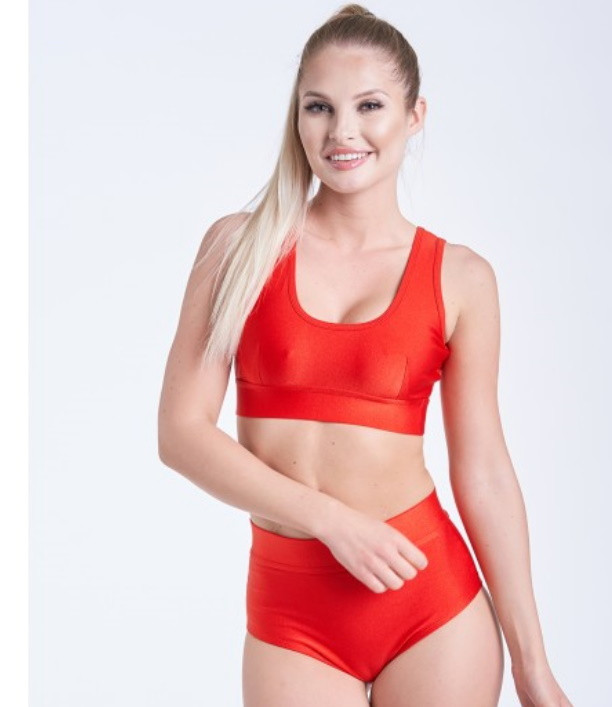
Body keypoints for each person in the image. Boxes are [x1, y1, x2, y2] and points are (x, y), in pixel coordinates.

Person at [158, 4, 573, 706]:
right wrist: (331, 520)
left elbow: (484, 474)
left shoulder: (460, 277)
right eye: (318, 106)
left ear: (414, 116)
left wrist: (534, 667)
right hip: (293, 611)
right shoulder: (238, 248)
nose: (342, 131)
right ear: (297, 115)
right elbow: (180, 433)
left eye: (369, 106)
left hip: (431, 606)